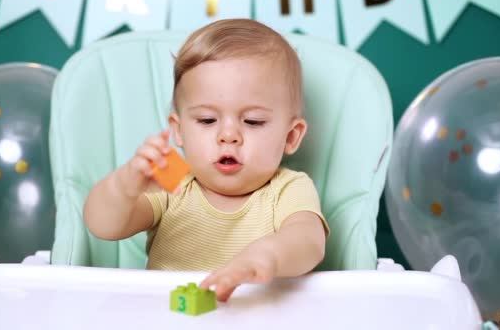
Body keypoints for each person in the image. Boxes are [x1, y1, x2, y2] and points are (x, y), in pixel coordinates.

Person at [83, 19, 329, 302]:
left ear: (290, 136)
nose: (228, 135)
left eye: (253, 121)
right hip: (170, 318)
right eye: (207, 120)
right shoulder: (172, 183)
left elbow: (309, 241)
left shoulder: (288, 189)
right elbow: (104, 226)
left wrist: (267, 256)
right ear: (179, 130)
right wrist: (125, 186)